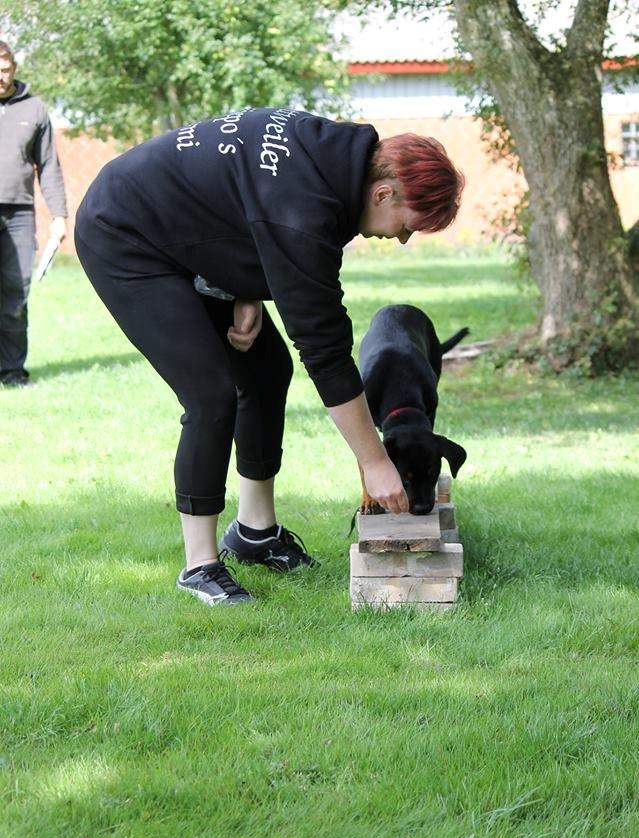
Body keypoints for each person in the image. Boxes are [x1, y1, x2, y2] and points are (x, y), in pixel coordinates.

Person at [74, 107, 464, 606]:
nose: (402, 238)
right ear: (383, 194)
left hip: (182, 232)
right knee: (211, 394)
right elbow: (324, 349)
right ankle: (199, 566)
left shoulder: (332, 160)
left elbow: (246, 200)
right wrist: (375, 462)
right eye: (408, 226)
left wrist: (244, 285)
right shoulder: (309, 206)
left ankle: (254, 533)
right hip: (125, 233)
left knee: (266, 369)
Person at [0, 41, 68, 386]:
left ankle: (12, 372)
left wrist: (59, 216)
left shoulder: (35, 108)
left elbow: (49, 165)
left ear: (14, 68)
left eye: (4, 69)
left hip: (19, 215)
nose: (0, 77)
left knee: (15, 294)